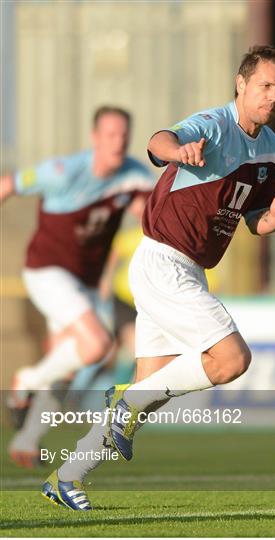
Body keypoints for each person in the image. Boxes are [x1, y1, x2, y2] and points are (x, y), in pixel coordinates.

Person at [41, 45, 275, 510]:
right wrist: (177, 150)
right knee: (230, 359)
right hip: (162, 261)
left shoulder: (273, 151)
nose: (272, 96)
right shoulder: (215, 125)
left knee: (147, 394)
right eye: (264, 85)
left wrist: (272, 217)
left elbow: (254, 219)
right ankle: (124, 403)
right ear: (241, 84)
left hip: (190, 270)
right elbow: (159, 140)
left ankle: (66, 475)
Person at [1, 106, 156, 468]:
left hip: (85, 281)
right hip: (47, 271)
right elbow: (10, 184)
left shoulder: (133, 175)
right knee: (98, 343)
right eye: (110, 135)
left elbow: (149, 214)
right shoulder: (62, 171)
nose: (117, 143)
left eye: (123, 136)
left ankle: (26, 441)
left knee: (68, 366)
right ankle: (26, 378)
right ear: (94, 138)